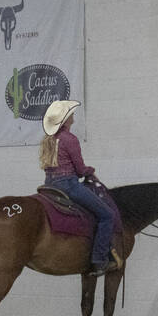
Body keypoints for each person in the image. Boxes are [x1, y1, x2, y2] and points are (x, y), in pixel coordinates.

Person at [39, 100, 122, 277]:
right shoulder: (70, 139)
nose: (74, 116)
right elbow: (80, 169)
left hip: (48, 185)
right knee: (107, 215)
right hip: (68, 184)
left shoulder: (48, 140)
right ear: (66, 119)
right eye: (71, 114)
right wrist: (91, 172)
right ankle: (99, 260)